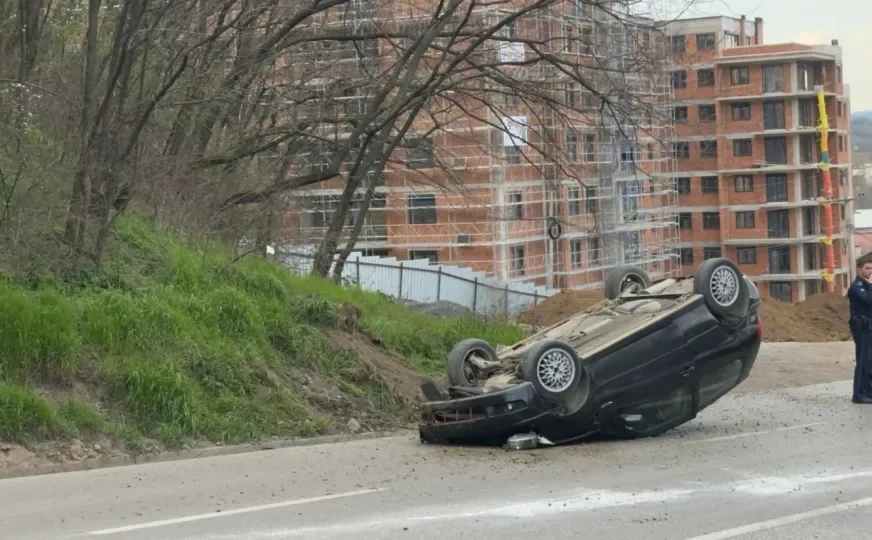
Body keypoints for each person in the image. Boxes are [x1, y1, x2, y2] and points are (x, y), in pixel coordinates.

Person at [847, 258, 872, 404]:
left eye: (871, 268)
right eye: (867, 268)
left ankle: (868, 391)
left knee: (869, 361)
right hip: (861, 327)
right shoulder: (857, 287)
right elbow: (869, 300)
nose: (870, 271)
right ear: (859, 270)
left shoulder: (867, 286)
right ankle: (859, 394)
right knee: (863, 360)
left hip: (869, 326)